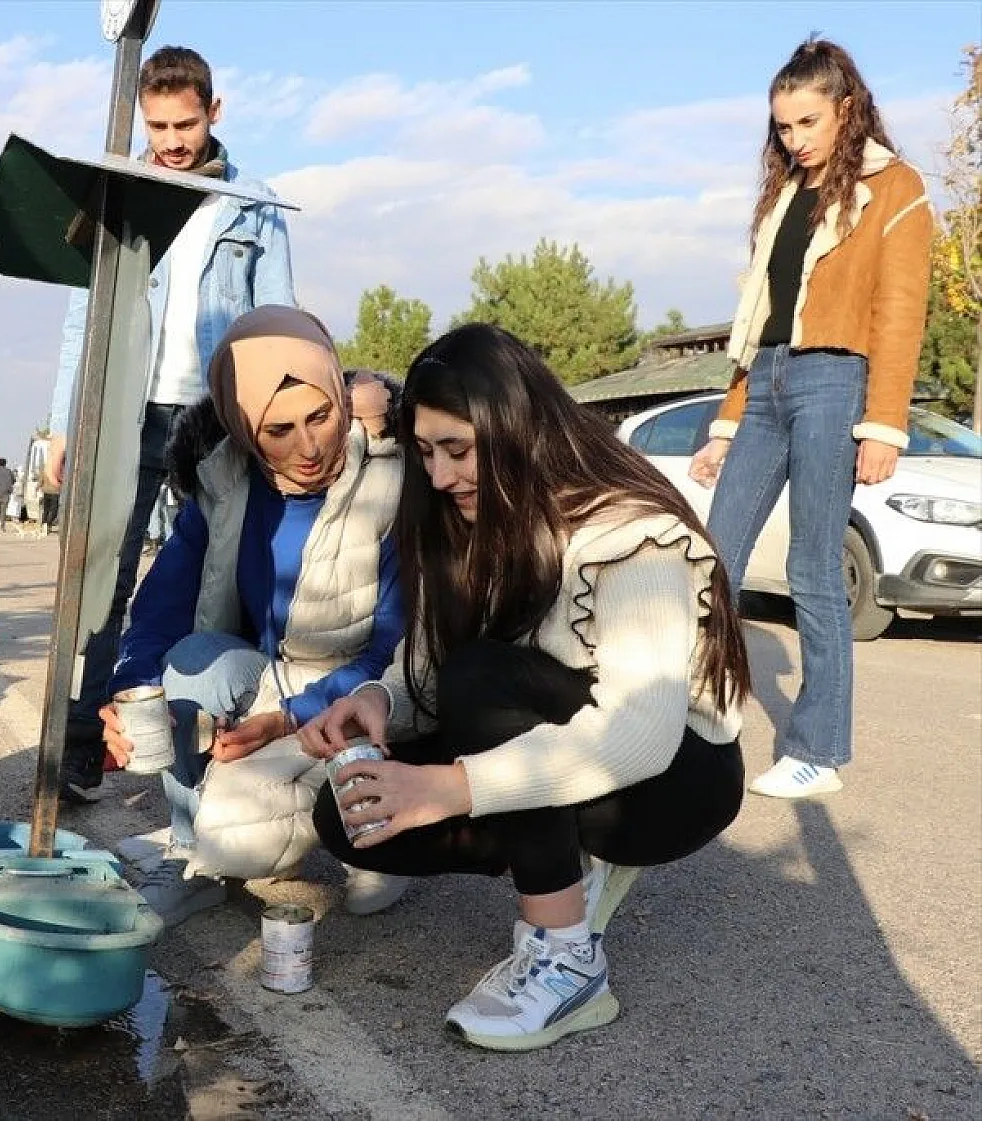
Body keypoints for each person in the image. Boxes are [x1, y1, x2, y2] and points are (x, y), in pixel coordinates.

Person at [301, 324, 749, 1052]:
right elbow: (430, 660)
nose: (439, 476)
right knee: (350, 816)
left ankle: (568, 959)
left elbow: (638, 734)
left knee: (483, 676)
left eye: (457, 449)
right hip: (561, 740)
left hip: (673, 781)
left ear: (517, 428)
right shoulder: (472, 517)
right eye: (425, 452)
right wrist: (379, 702)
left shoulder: (631, 533)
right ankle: (559, 853)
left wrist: (449, 787)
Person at [98, 306, 408, 926]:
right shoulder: (222, 485)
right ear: (242, 428)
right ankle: (194, 853)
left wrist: (287, 718)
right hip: (270, 678)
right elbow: (160, 609)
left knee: (368, 884)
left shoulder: (393, 486)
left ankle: (378, 832)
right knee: (190, 664)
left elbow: (393, 649)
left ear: (341, 397)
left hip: (371, 692)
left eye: (319, 416)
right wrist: (128, 691)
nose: (308, 447)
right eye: (278, 430)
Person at [44, 45, 295, 800]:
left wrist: (276, 424)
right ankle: (83, 745)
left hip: (217, 423)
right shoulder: (119, 196)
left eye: (185, 124)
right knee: (102, 581)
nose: (173, 141)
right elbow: (83, 317)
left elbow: (277, 317)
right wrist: (64, 423)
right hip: (126, 414)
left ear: (213, 112)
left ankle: (208, 751)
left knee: (220, 581)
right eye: (157, 126)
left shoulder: (254, 205)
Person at [688, 39, 934, 799]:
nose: (794, 138)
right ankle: (708, 702)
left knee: (813, 566)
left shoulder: (895, 187)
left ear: (847, 108)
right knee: (714, 556)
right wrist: (727, 423)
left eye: (807, 121)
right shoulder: (785, 196)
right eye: (783, 126)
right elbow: (758, 320)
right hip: (765, 378)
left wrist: (884, 424)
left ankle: (818, 751)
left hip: (834, 377)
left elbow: (899, 312)